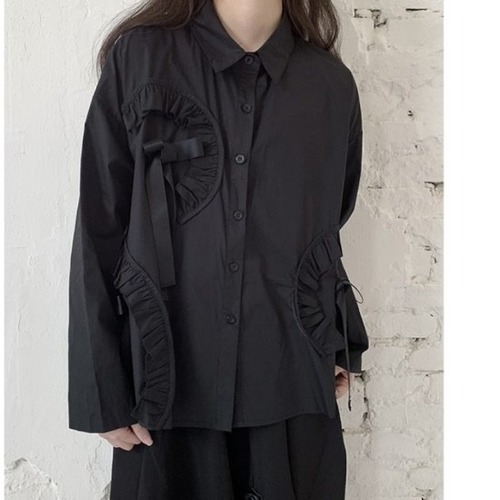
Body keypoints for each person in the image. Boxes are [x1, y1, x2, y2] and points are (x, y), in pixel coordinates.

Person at [67, 0, 370, 498]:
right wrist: (103, 393)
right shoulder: (140, 59)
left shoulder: (330, 87)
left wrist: (336, 342)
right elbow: (99, 231)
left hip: (290, 387)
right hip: (166, 391)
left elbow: (324, 228)